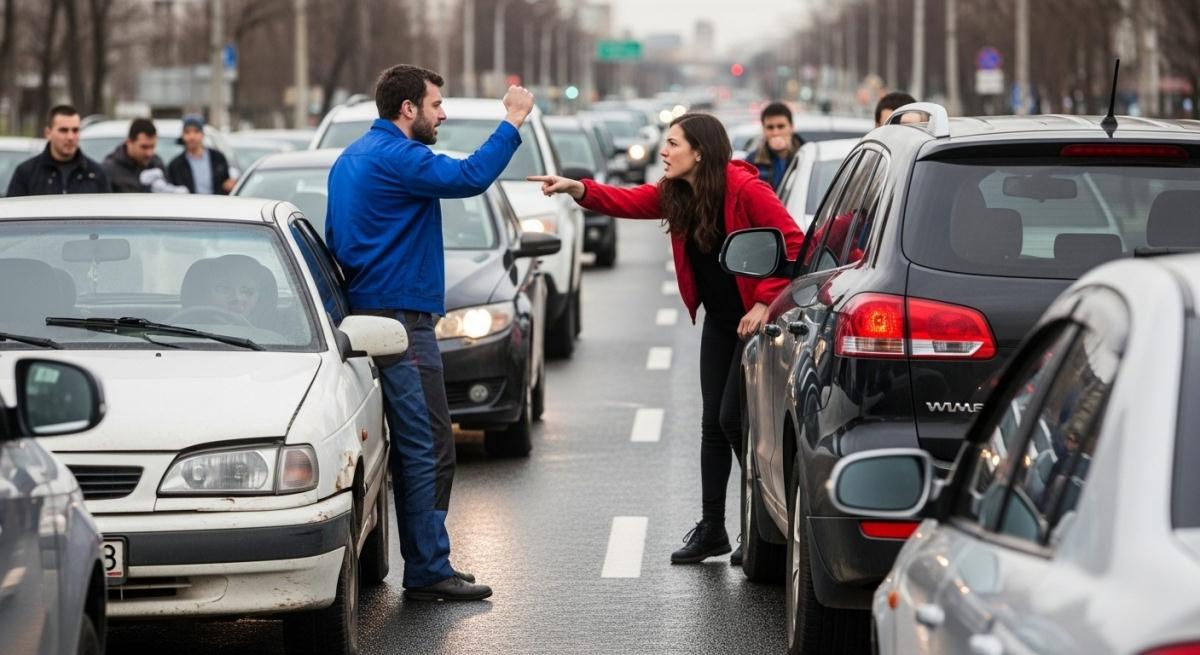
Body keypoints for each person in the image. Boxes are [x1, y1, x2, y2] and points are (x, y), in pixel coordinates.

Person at [530, 113, 805, 566]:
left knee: (732, 420)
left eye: (673, 143)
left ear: (700, 152)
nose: (664, 151)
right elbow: (630, 200)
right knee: (712, 424)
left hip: (754, 324)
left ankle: (764, 523)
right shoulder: (678, 193)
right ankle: (713, 529)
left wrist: (763, 302)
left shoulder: (746, 190)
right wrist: (579, 189)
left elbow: (792, 245)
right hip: (721, 322)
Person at [325, 63, 534, 602]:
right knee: (429, 445)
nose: (442, 114)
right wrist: (512, 121)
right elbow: (469, 178)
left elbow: (337, 238)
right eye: (436, 104)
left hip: (371, 313)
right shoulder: (400, 157)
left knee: (405, 443)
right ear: (408, 108)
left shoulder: (351, 158)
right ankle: (427, 569)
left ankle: (422, 560)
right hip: (401, 322)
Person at [6, 104, 110, 196]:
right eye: (63, 130)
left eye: (75, 130)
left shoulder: (96, 173)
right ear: (48, 133)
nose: (70, 137)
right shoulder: (26, 173)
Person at [104, 118, 187, 193]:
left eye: (152, 147)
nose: (149, 153)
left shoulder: (156, 163)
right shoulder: (110, 169)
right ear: (129, 142)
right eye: (144, 147)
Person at [167, 114, 235, 194]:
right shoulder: (175, 165)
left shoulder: (218, 158)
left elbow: (226, 185)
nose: (192, 136)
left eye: (196, 131)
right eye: (187, 132)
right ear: (182, 135)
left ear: (202, 134)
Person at [745, 101, 804, 190]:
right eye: (770, 127)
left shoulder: (806, 156)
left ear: (791, 127)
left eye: (781, 126)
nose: (775, 133)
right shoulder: (752, 162)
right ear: (763, 130)